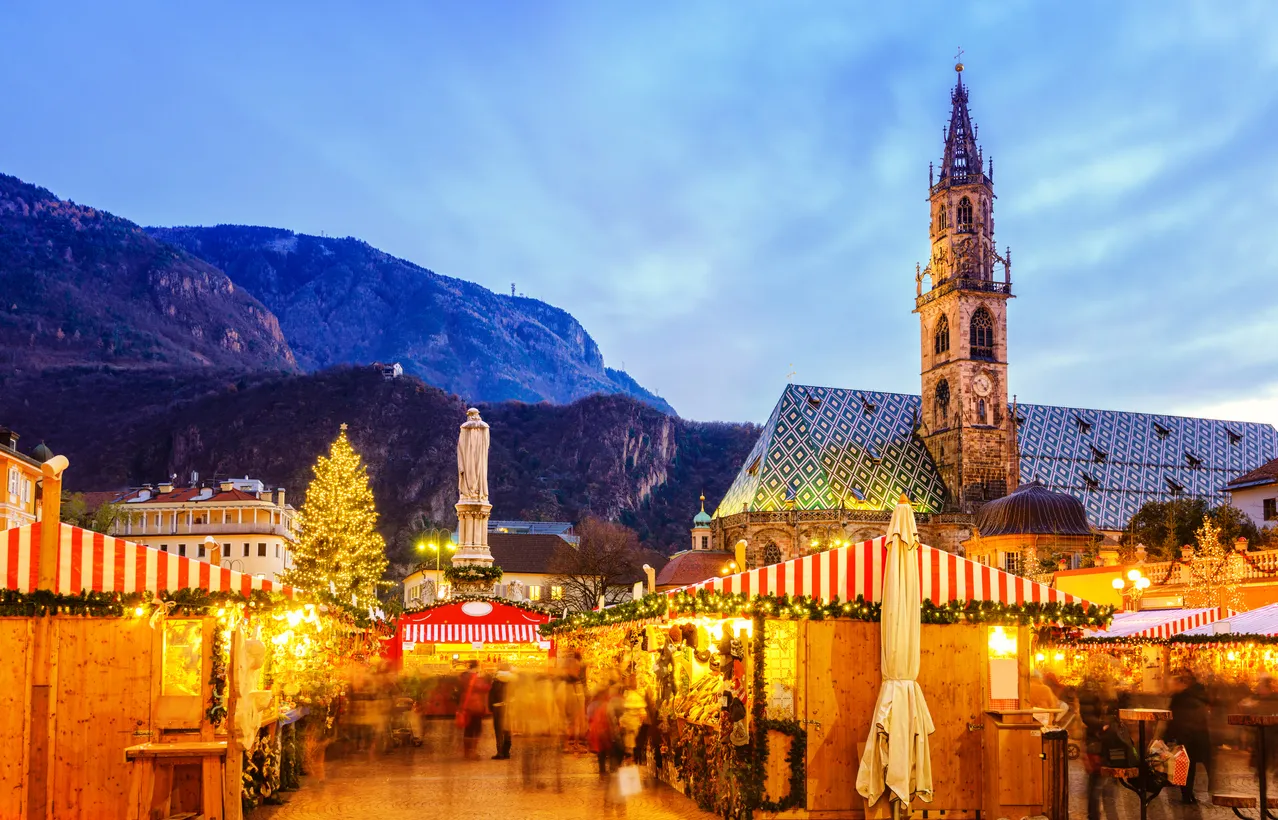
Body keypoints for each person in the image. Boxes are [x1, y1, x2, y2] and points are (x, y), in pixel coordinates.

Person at [1167, 670, 1212, 804]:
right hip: (1197, 734)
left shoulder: (1180, 697)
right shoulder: (1197, 694)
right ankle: (1189, 794)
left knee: (1185, 765)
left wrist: (1168, 736)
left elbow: (1174, 718)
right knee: (1193, 765)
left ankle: (1186, 794)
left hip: (1185, 735)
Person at [1078, 671, 1117, 820]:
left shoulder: (1107, 696)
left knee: (1103, 781)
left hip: (1105, 741)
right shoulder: (1090, 695)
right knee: (1096, 781)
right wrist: (1103, 726)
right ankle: (1094, 815)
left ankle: (1100, 814)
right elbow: (1088, 717)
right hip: (1097, 741)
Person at [457, 660, 490, 760]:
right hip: (475, 705)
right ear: (476, 667)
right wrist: (486, 678)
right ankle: (473, 752)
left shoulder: (462, 677)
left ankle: (467, 752)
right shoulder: (475, 677)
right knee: (476, 729)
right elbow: (485, 688)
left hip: (465, 705)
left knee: (468, 729)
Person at [489, 663, 515, 760]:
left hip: (498, 707)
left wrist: (491, 706)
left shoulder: (496, 680)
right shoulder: (513, 680)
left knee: (499, 730)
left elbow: (492, 694)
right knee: (507, 729)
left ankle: (500, 753)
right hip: (509, 706)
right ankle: (506, 752)